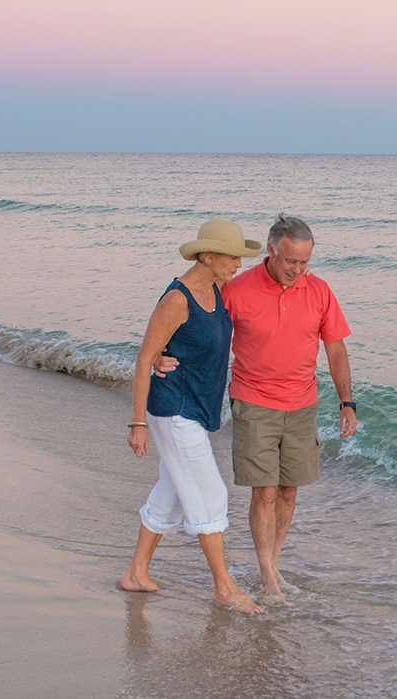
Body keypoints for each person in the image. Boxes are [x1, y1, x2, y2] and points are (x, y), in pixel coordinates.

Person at [156, 214, 357, 608]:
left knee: (288, 489)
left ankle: (274, 562)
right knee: (264, 490)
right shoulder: (237, 288)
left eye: (304, 263)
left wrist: (346, 401)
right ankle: (267, 574)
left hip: (302, 403)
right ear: (270, 251)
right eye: (290, 262)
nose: (298, 271)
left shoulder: (319, 290)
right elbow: (194, 315)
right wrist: (161, 355)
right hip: (253, 400)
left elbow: (335, 347)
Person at [120, 218, 266, 615]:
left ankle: (136, 573)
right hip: (174, 409)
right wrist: (136, 423)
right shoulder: (177, 300)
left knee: (170, 496)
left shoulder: (217, 289)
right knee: (210, 496)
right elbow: (144, 360)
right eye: (232, 256)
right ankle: (224, 587)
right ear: (207, 255)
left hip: (197, 409)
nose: (238, 263)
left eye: (241, 256)